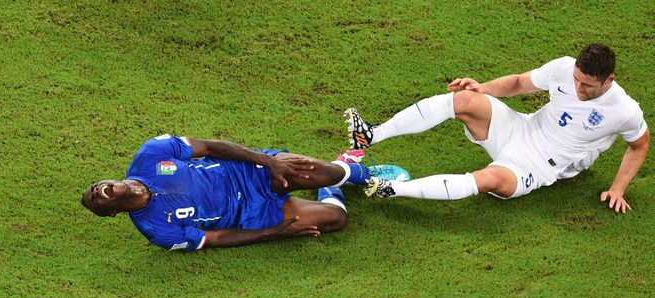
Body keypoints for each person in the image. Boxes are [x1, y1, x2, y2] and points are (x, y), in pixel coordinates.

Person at [345, 43, 649, 213]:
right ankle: (371, 134)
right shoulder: (564, 68)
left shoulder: (624, 111)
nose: (579, 88)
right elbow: (518, 83)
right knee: (465, 99)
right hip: (521, 128)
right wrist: (482, 88)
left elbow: (639, 145)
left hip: (540, 166)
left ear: (608, 79)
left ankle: (390, 190)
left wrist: (618, 188)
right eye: (576, 80)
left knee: (488, 180)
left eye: (588, 85)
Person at [81, 134, 373, 250]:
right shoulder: (157, 230)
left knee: (323, 171)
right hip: (249, 213)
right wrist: (274, 233)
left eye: (93, 187)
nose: (96, 190)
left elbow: (209, 147)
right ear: (112, 212)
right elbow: (215, 238)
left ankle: (358, 172)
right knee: (335, 219)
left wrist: (267, 161)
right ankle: (335, 187)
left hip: (246, 173)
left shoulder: (149, 155)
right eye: (95, 199)